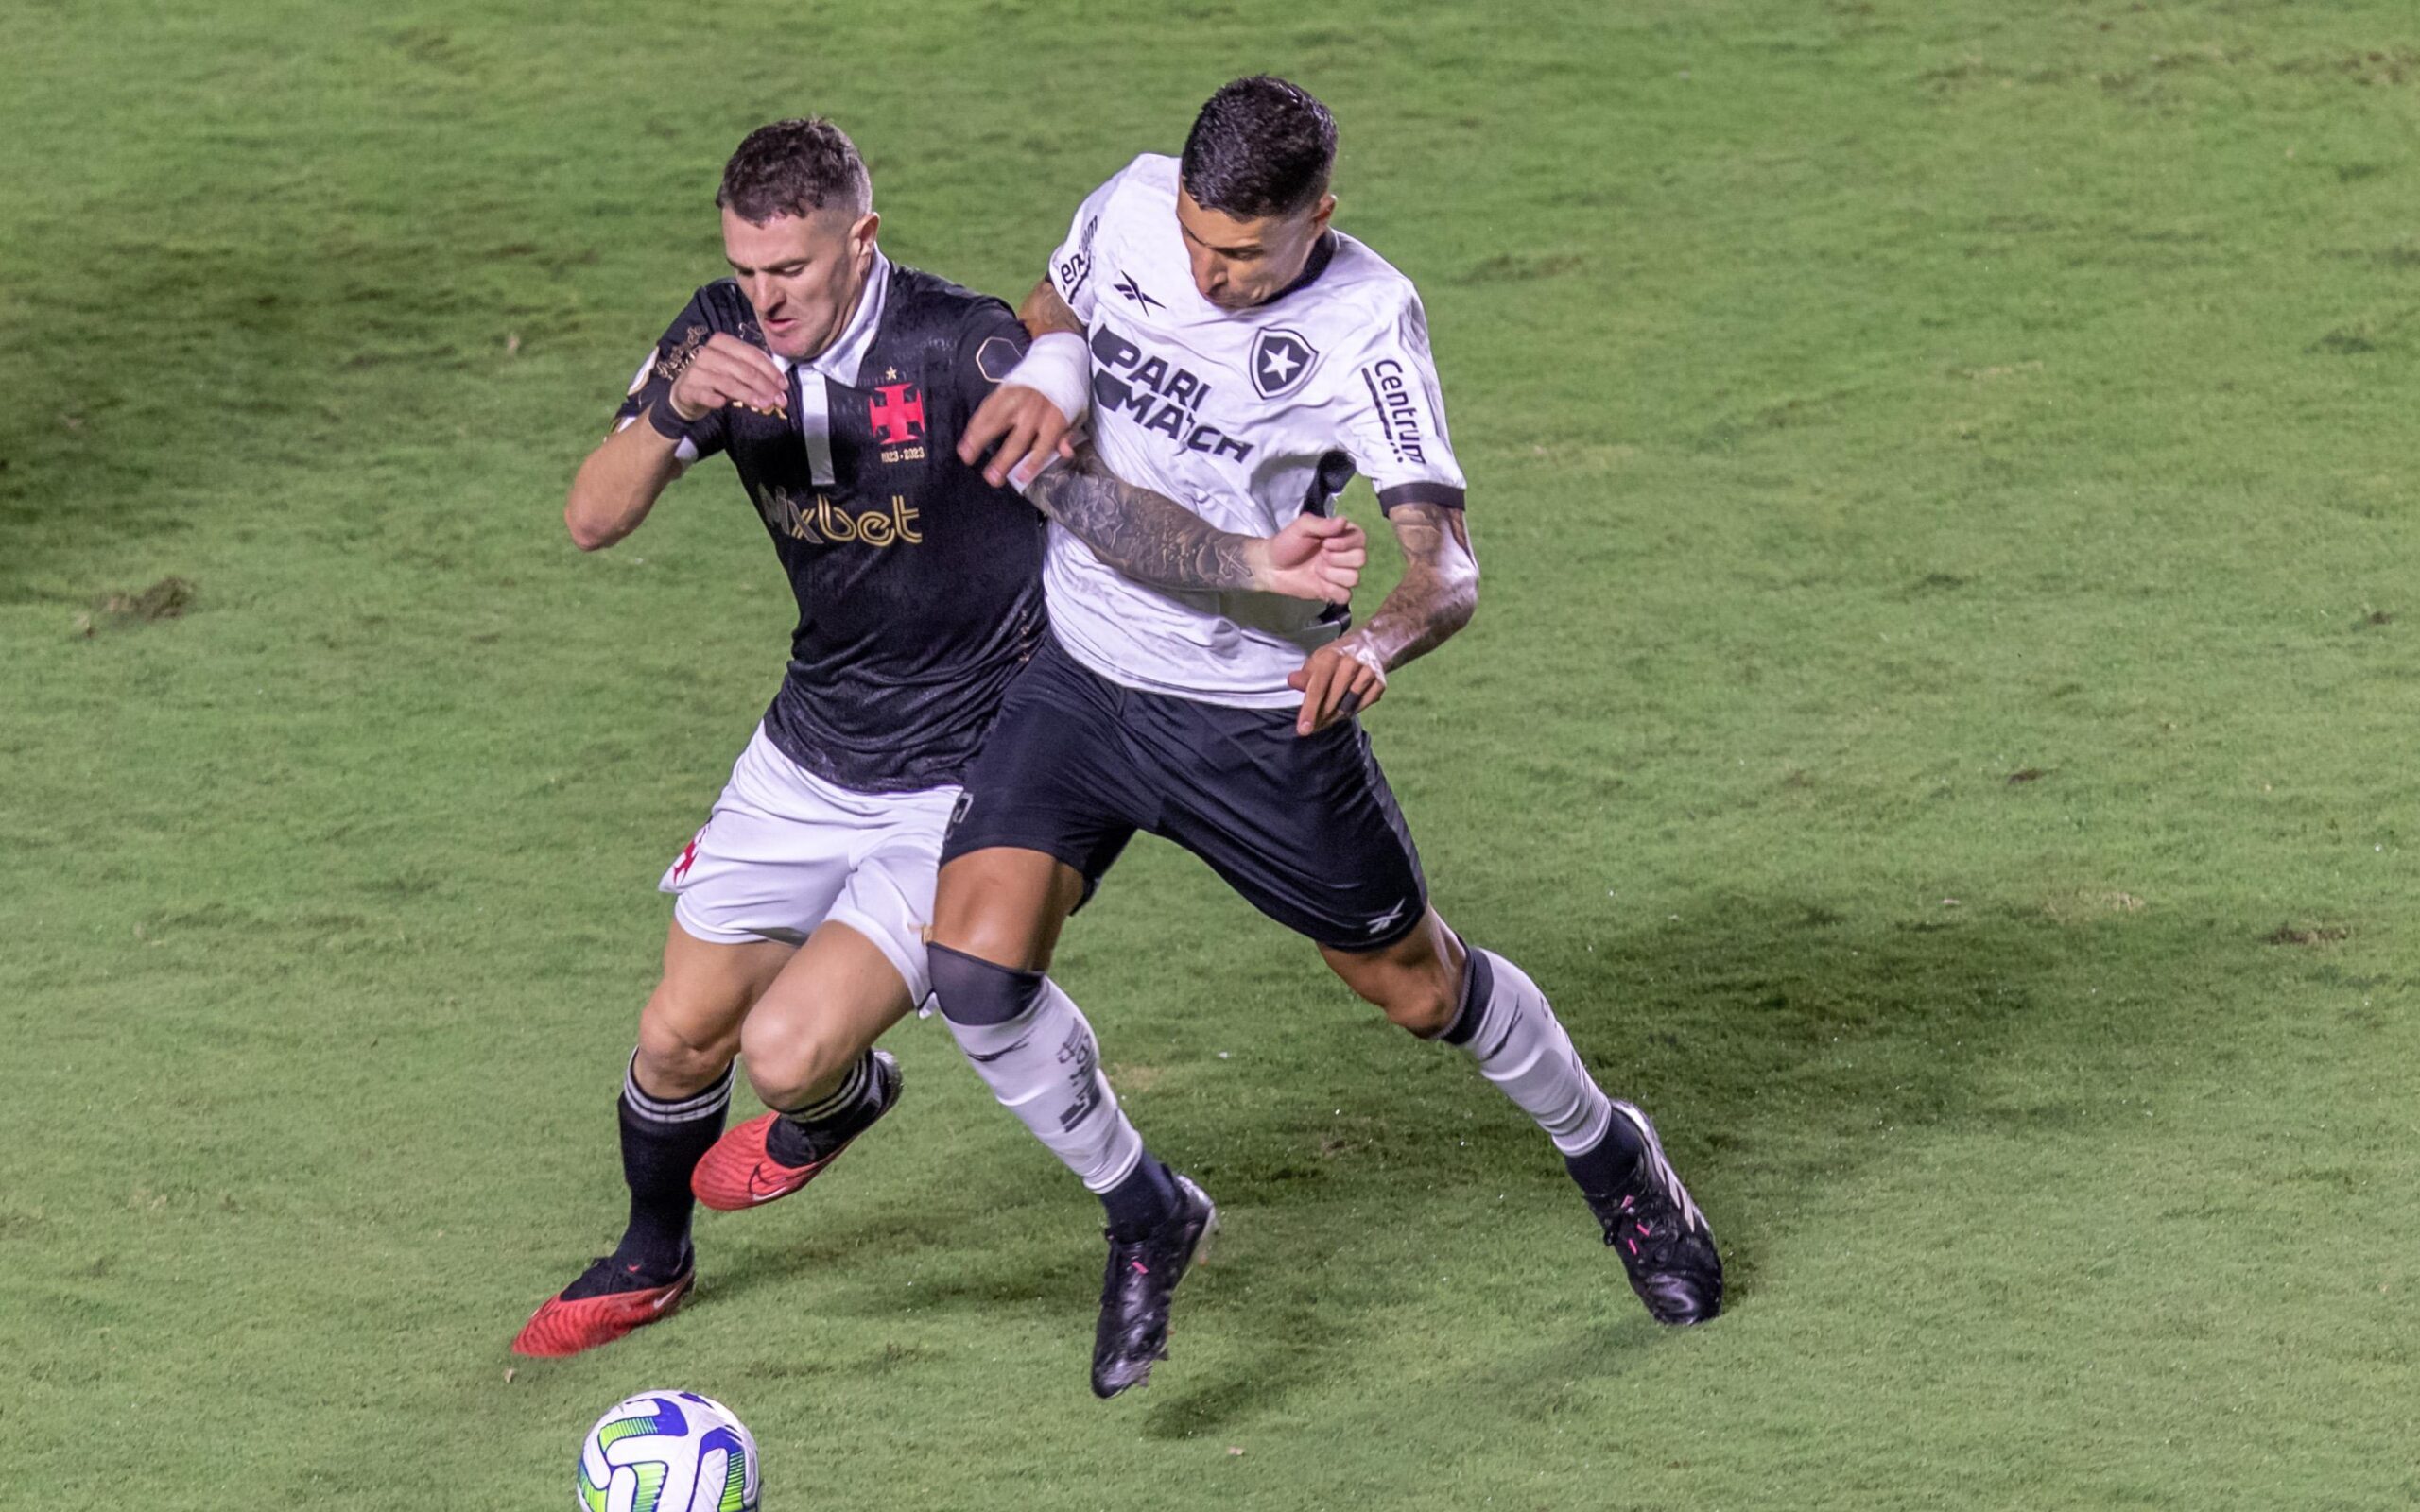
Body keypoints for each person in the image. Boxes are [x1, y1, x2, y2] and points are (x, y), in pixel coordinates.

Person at [511, 116, 1365, 1357]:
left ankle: (868, 1113)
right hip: (811, 750)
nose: (767, 299)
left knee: (786, 1053)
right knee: (675, 1032)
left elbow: (1108, 514)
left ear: (861, 239)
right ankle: (653, 1256)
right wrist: (671, 408)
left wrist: (1247, 565)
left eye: (791, 272)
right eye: (747, 272)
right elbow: (592, 518)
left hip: (968, 778)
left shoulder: (960, 348)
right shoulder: (716, 332)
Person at [928, 77, 1724, 1399]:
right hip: (1080, 675)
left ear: (1320, 221)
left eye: (1244, 252)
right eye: (1197, 239)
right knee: (972, 975)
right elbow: (1061, 301)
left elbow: (1447, 566)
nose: (1211, 271)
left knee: (1417, 989)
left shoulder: (1366, 321)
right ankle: (1146, 1211)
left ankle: (1612, 1156)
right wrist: (1057, 364)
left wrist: (1373, 642)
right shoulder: (1130, 207)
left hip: (1254, 714)